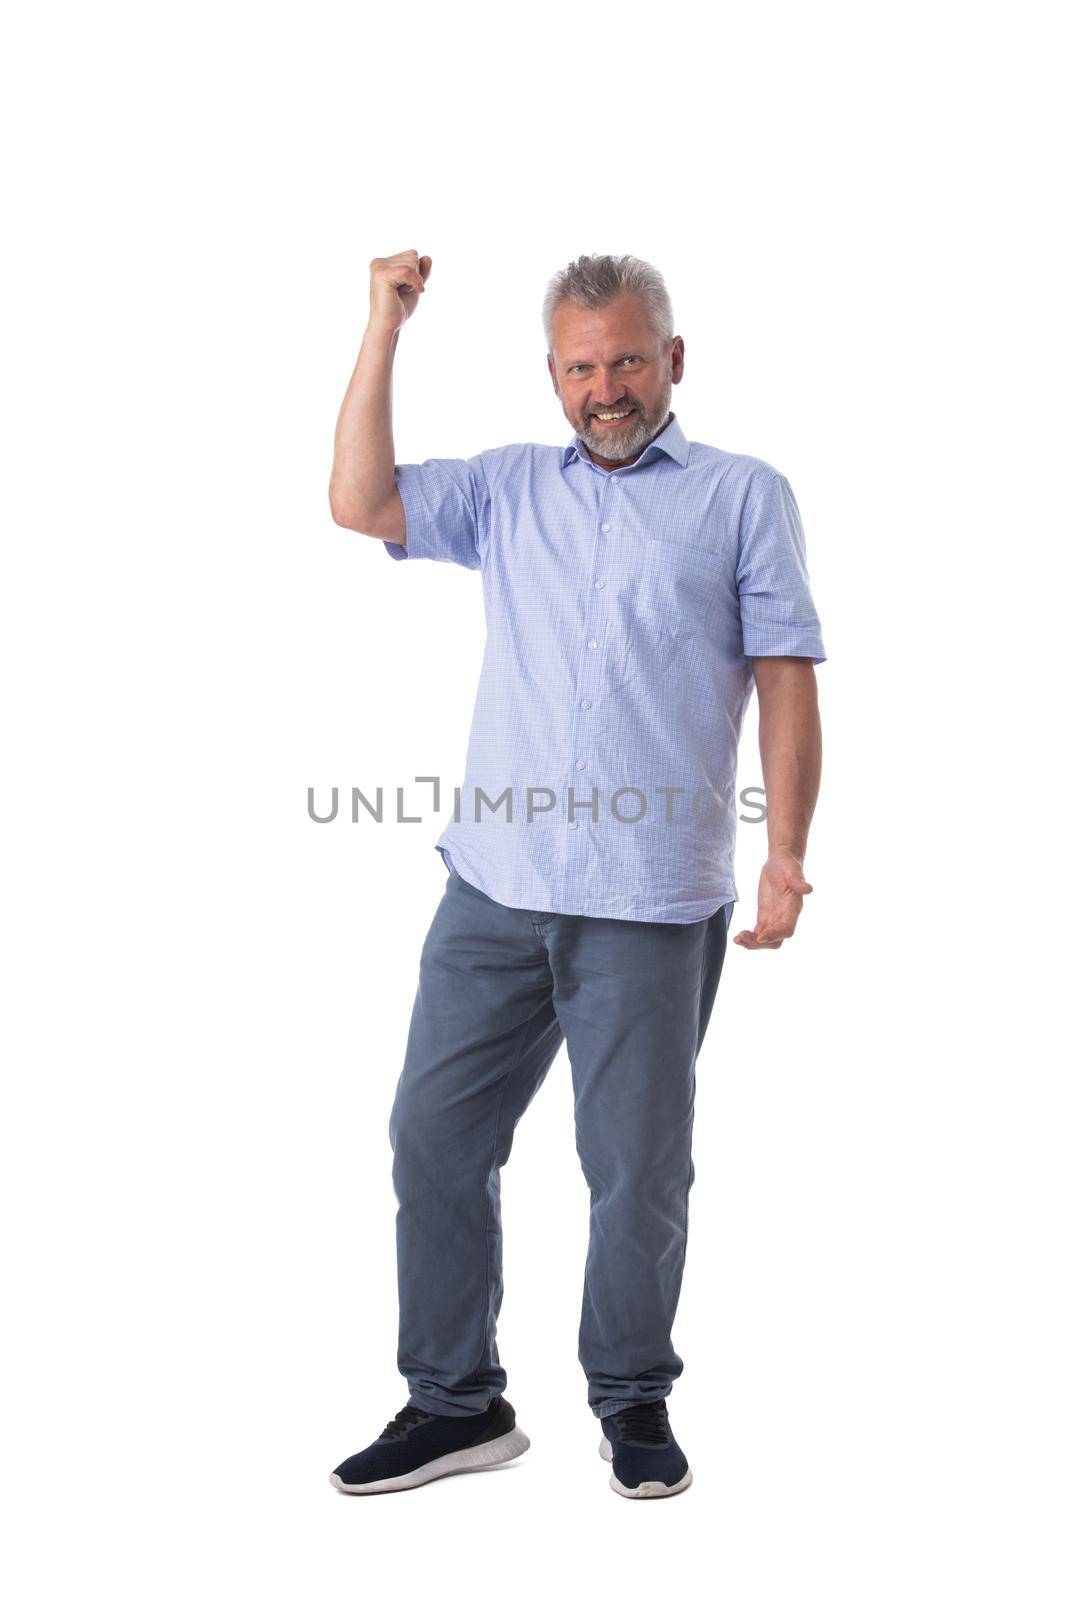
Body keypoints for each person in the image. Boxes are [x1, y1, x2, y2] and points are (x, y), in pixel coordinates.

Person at [327, 250, 826, 1498]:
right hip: (491, 889)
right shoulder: (507, 491)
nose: (604, 388)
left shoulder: (741, 497)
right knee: (432, 1138)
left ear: (671, 360)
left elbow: (784, 676)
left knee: (636, 1170)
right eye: (579, 366)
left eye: (624, 361)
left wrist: (785, 853)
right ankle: (455, 1402)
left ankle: (632, 1396)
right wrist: (381, 326)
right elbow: (357, 501)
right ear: (552, 375)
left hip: (648, 905)